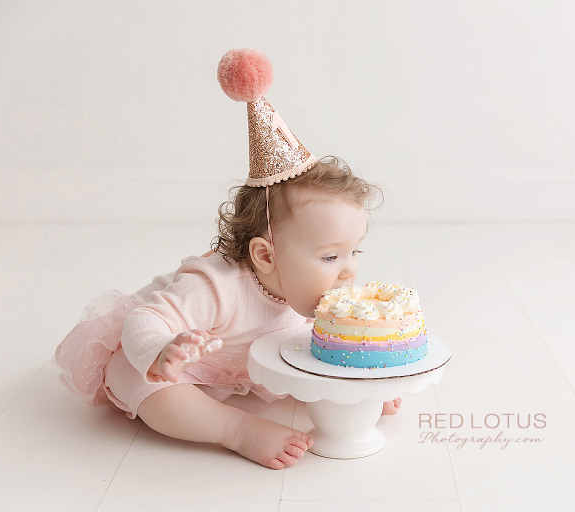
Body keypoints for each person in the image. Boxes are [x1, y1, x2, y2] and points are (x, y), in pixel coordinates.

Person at [55, 49, 401, 470]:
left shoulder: (311, 293)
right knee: (137, 379)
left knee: (313, 355)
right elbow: (142, 320)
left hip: (241, 367)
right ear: (265, 255)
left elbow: (325, 348)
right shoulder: (215, 288)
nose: (348, 270)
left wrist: (355, 388)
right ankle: (235, 430)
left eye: (354, 252)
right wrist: (162, 349)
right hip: (183, 363)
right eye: (330, 256)